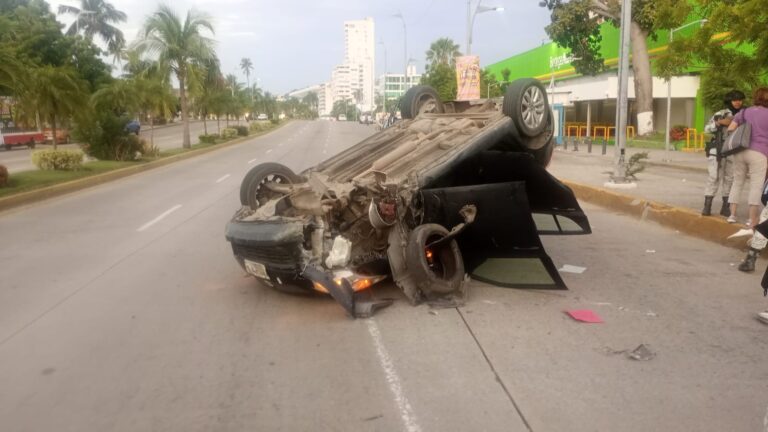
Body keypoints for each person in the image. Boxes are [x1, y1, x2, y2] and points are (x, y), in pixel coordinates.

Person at [727, 87, 768, 227]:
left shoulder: (744, 112)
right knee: (756, 185)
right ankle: (752, 219)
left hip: (740, 150)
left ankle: (732, 215)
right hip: (760, 153)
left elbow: (730, 128)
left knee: (737, 182)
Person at [701, 90, 744, 216]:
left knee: (730, 178)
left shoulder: (744, 114)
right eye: (735, 99)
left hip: (734, 149)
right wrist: (718, 122)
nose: (737, 102)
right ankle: (707, 205)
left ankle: (726, 206)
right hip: (718, 148)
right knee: (714, 177)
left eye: (740, 99)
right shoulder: (721, 113)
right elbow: (707, 128)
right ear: (729, 101)